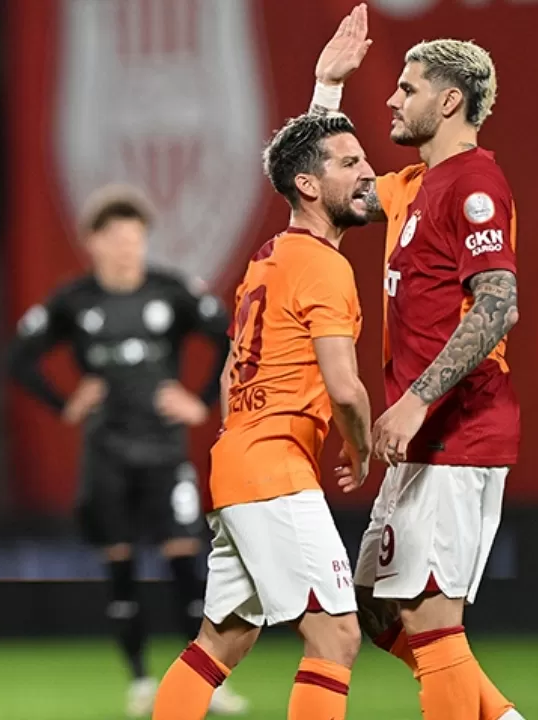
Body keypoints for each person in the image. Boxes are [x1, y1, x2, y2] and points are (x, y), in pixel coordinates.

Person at [311, 7, 523, 719]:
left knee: (432, 621)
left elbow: (498, 304)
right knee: (376, 608)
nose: (392, 99)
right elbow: (321, 189)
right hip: (421, 438)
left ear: (450, 100)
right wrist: (326, 89)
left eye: (408, 88)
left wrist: (417, 399)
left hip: (459, 429)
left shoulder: (474, 185)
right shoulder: (410, 185)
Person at [152, 112, 376, 719]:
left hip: (238, 461)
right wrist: (361, 446)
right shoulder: (324, 266)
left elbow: (231, 372)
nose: (368, 172)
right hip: (275, 469)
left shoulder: (270, 256)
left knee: (221, 641)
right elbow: (346, 388)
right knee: (336, 635)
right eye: (350, 163)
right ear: (308, 185)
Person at [9, 185, 243, 717]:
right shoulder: (75, 301)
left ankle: (205, 682)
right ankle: (139, 679)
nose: (126, 248)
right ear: (93, 242)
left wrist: (201, 401)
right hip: (107, 453)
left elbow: (229, 336)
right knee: (120, 566)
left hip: (164, 451)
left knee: (185, 562)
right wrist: (66, 403)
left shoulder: (170, 292)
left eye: (135, 238)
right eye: (115, 238)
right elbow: (20, 358)